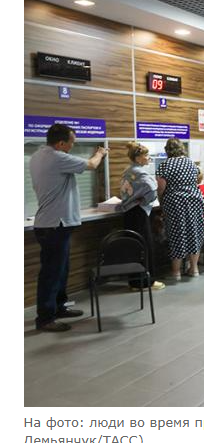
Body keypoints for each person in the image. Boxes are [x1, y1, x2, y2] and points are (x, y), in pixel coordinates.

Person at [30, 123, 107, 331]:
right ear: (61, 143)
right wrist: (100, 153)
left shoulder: (38, 155)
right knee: (52, 272)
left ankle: (59, 306)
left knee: (61, 269)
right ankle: (45, 318)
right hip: (55, 224)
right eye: (72, 143)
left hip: (52, 224)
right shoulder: (57, 158)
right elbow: (91, 164)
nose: (73, 146)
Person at [116, 142, 165, 291]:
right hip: (139, 212)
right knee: (145, 245)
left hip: (129, 212)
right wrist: (145, 200)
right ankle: (146, 282)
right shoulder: (141, 173)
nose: (149, 158)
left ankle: (134, 282)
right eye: (146, 155)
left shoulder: (128, 170)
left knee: (133, 246)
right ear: (138, 158)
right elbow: (153, 189)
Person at [156, 138, 204, 281]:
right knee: (194, 233)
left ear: (167, 150)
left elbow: (161, 188)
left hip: (176, 203)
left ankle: (176, 272)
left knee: (177, 235)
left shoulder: (165, 165)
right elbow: (197, 179)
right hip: (195, 201)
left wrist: (161, 201)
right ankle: (194, 269)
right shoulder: (191, 163)